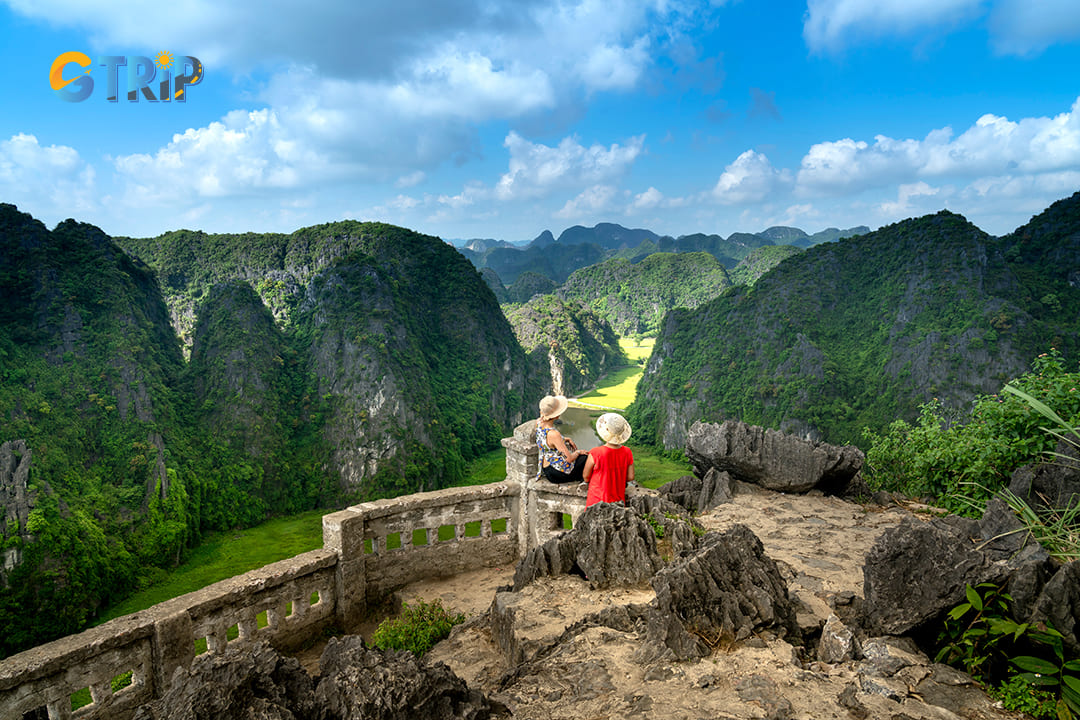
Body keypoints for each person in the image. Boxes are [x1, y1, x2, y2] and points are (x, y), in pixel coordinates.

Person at [583, 412, 634, 507]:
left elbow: (586, 476)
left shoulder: (596, 452)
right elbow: (630, 477)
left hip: (596, 500)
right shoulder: (627, 452)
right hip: (618, 502)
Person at [536, 394, 586, 483]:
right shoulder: (554, 434)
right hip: (556, 473)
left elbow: (548, 442)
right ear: (556, 416)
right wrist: (578, 452)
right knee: (585, 457)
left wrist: (565, 439)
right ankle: (584, 482)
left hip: (547, 468)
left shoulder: (539, 423)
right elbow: (569, 458)